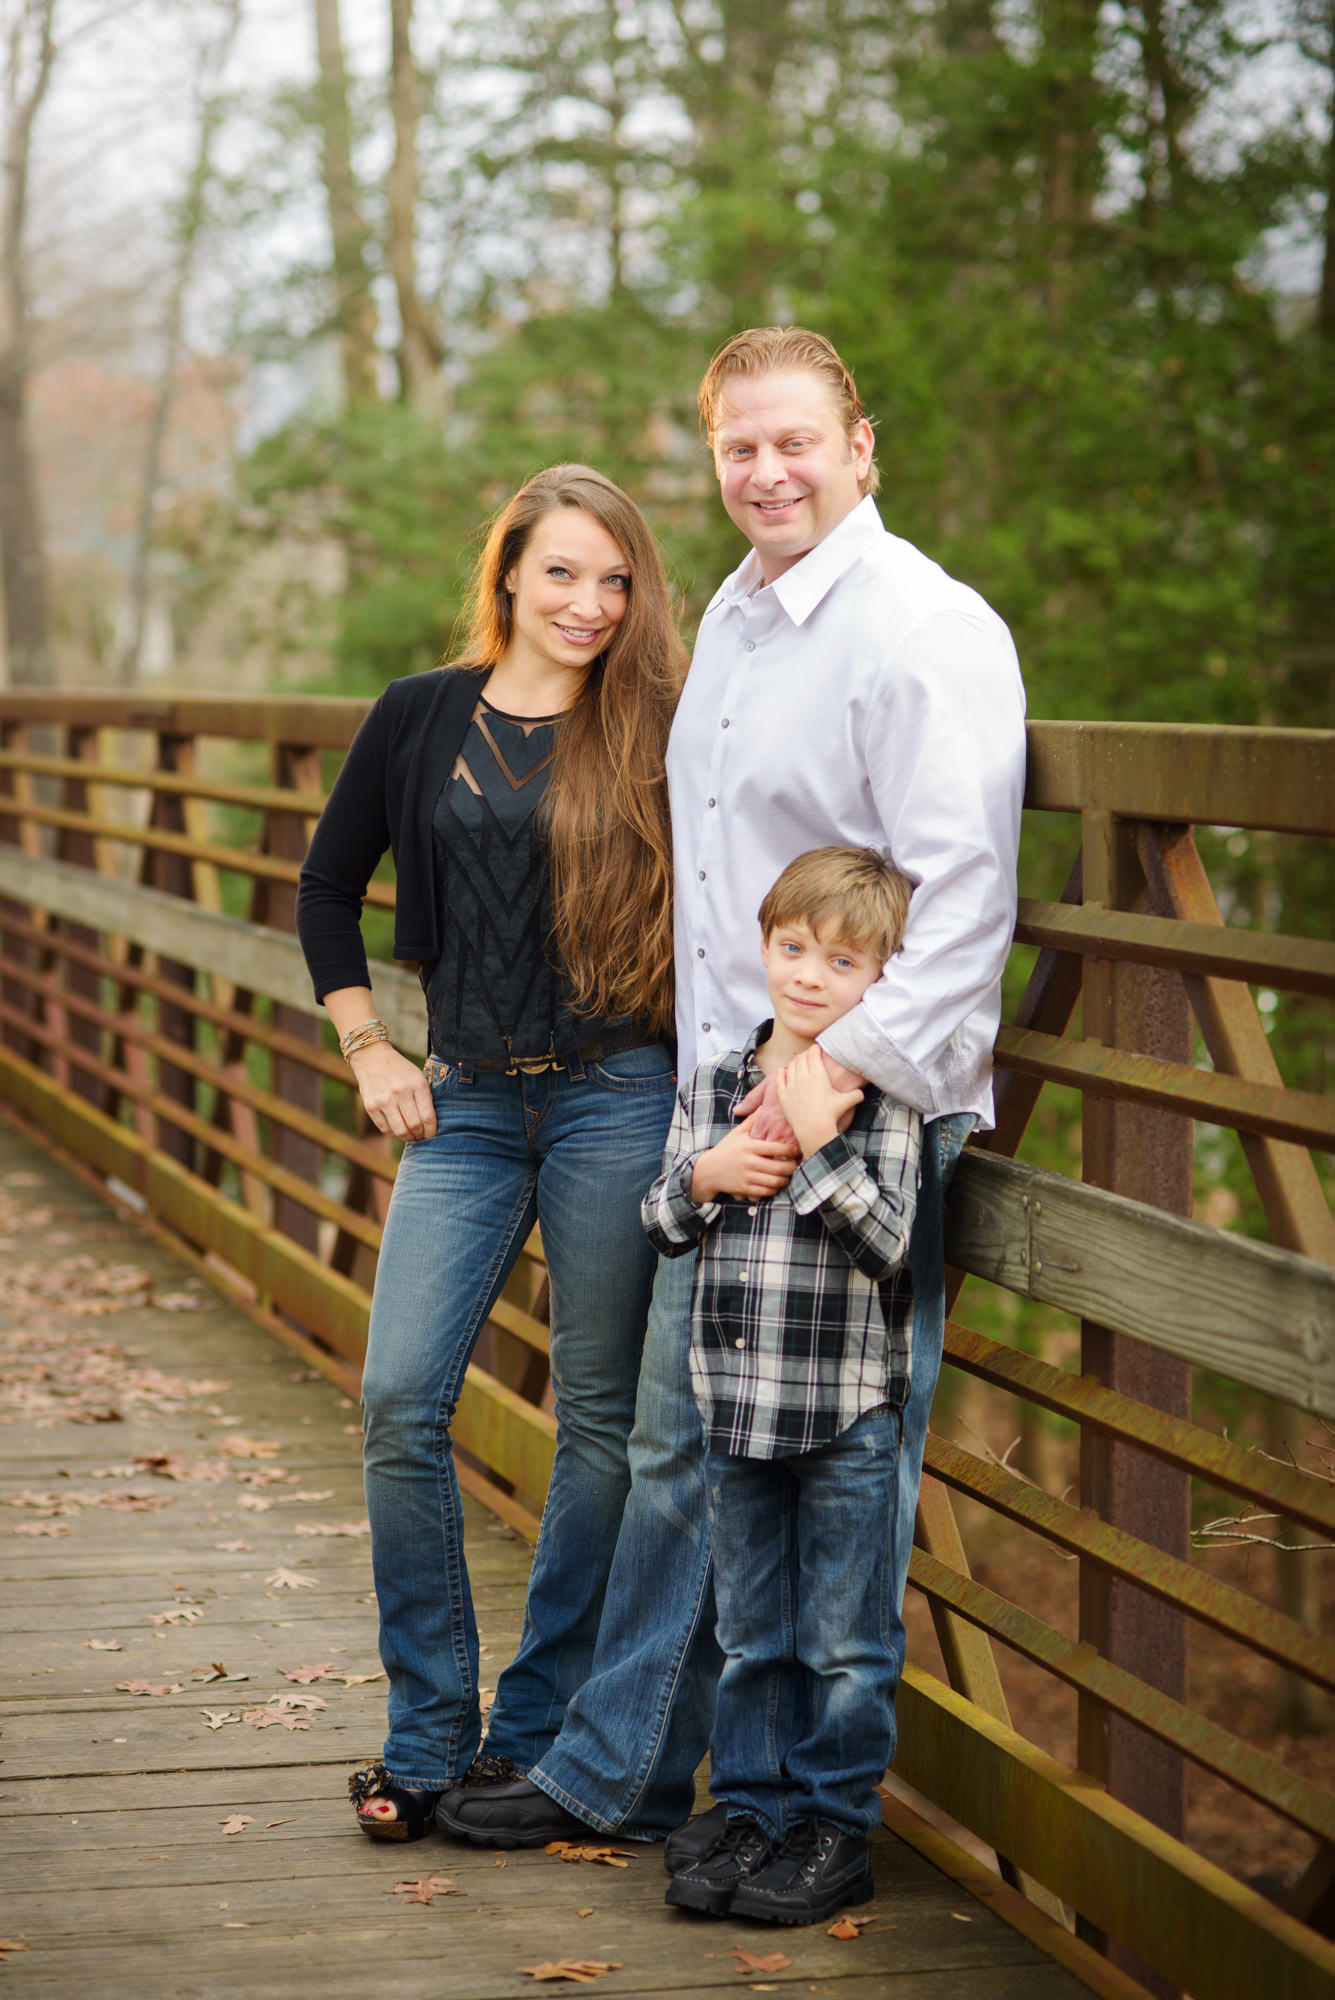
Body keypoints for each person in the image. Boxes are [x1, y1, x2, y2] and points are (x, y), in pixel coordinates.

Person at [438, 328, 1027, 1871]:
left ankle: (785, 1805)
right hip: (725, 1097)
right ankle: (646, 1771)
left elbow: (961, 904)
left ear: (859, 444)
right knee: (679, 1446)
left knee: (835, 1484)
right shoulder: (744, 620)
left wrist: (822, 1084)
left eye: (793, 442)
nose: (764, 472)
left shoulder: (917, 629)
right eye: (736, 449)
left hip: (854, 1113)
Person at [295, 464, 685, 1840]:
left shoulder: (656, 724)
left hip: (615, 1096)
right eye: (562, 572)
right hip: (459, 1105)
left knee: (595, 1429)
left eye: (615, 580)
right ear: (509, 571)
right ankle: (425, 1732)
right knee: (400, 1401)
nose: (588, 604)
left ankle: (533, 1735)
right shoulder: (419, 715)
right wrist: (369, 1047)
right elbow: (327, 888)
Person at [645, 846, 919, 1925]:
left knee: (844, 1638)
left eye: (841, 959)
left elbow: (891, 1243)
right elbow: (659, 1220)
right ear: (762, 947)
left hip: (846, 1407)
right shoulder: (713, 1079)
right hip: (735, 1403)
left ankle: (833, 1822)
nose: (808, 974)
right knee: (754, 1628)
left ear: (879, 979)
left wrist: (814, 1141)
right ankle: (753, 1807)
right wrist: (705, 1175)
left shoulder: (883, 1098)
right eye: (792, 947)